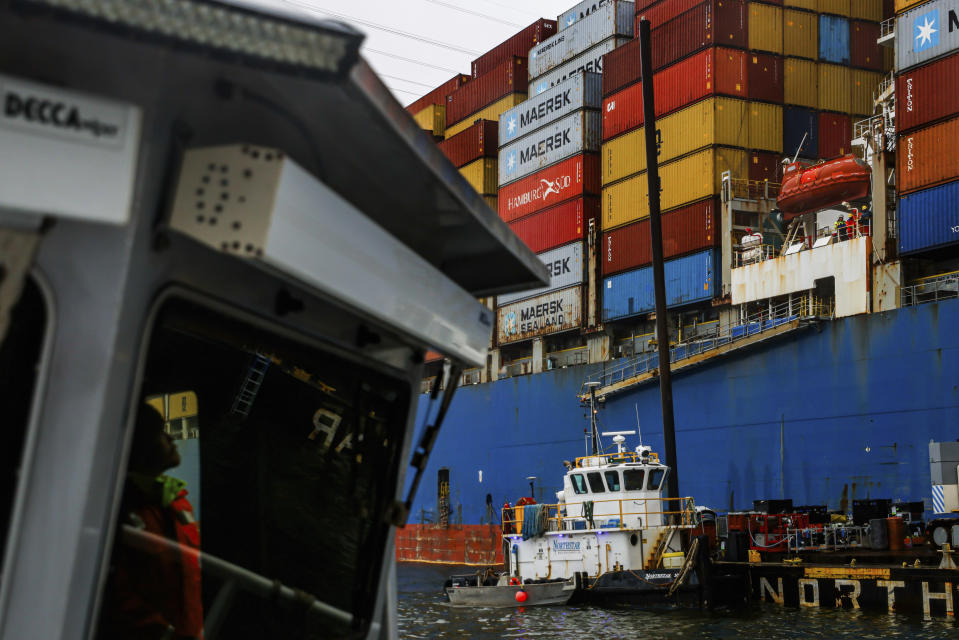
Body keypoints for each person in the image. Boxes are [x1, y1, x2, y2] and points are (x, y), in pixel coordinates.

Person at [99, 405, 203, 640]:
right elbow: (115, 588)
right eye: (159, 434)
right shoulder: (122, 507)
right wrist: (163, 632)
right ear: (141, 451)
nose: (171, 438)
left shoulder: (176, 501)